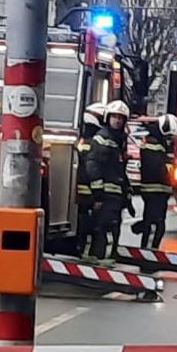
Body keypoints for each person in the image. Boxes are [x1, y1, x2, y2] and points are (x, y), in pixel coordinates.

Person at [81, 101, 130, 264]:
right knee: (103, 228)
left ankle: (103, 260)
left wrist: (126, 194)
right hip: (106, 195)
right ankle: (99, 262)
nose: (117, 121)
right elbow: (93, 166)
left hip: (114, 196)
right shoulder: (103, 138)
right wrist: (98, 195)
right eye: (114, 117)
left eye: (121, 118)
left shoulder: (118, 141)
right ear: (108, 118)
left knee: (110, 228)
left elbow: (118, 171)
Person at [131, 113, 177, 248]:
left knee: (155, 223)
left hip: (157, 192)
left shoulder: (158, 143)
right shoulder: (153, 144)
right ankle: (148, 256)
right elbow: (157, 168)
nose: (172, 141)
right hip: (155, 192)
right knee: (155, 225)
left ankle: (148, 250)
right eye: (170, 137)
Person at [76, 103, 106, 252]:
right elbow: (92, 169)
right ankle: (85, 250)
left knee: (82, 221)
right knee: (88, 223)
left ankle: (81, 248)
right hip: (87, 192)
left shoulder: (82, 140)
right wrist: (98, 195)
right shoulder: (92, 142)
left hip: (80, 191)